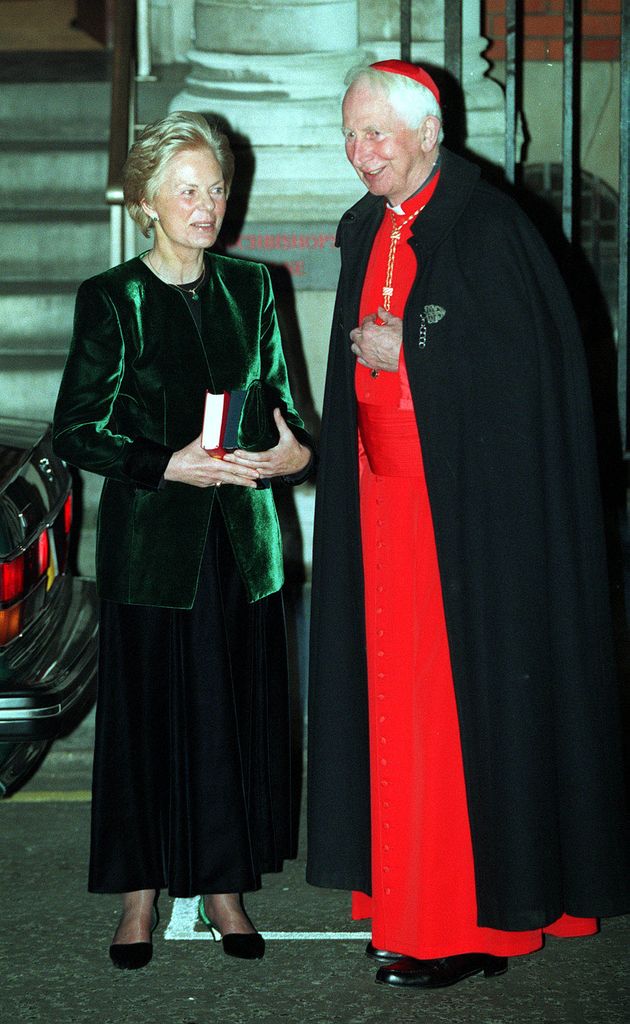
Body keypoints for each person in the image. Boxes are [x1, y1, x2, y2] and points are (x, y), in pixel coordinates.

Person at [306, 60, 630, 989]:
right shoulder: (368, 224)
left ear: (427, 132)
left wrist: (405, 345)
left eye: (375, 134)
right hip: (385, 511)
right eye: (350, 133)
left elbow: (520, 379)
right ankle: (407, 902)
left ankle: (472, 928)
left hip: (468, 530)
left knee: (457, 720)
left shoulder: (489, 229)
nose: (359, 152)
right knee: (398, 716)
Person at [53, 111, 313, 970]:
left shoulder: (256, 285)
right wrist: (167, 466)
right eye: (188, 190)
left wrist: (291, 454)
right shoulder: (113, 298)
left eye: (217, 190)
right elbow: (77, 432)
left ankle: (226, 889)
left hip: (245, 548)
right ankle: (138, 898)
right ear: (147, 203)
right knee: (148, 722)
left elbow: (289, 414)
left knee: (231, 718)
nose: (207, 206)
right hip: (153, 552)